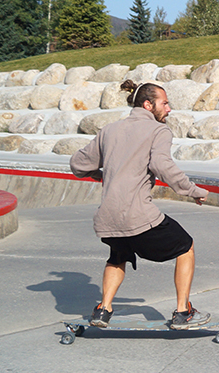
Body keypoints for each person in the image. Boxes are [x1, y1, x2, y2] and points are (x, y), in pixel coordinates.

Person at [70, 79, 210, 329]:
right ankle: (182, 313)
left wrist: (104, 175)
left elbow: (79, 165)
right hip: (138, 215)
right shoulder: (158, 131)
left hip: (108, 218)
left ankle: (103, 310)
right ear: (148, 105)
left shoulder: (109, 130)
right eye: (164, 103)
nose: (169, 109)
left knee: (118, 255)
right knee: (185, 246)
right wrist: (192, 190)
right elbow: (162, 165)